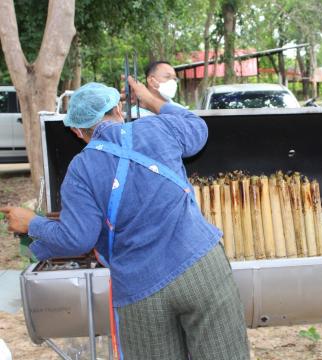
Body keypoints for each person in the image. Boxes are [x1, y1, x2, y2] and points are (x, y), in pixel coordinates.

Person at [0, 78, 250, 360]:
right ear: (118, 109)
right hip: (201, 267)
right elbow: (198, 129)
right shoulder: (157, 126)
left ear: (76, 131)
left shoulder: (80, 170)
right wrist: (153, 100)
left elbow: (76, 238)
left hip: (141, 290)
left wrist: (31, 223)